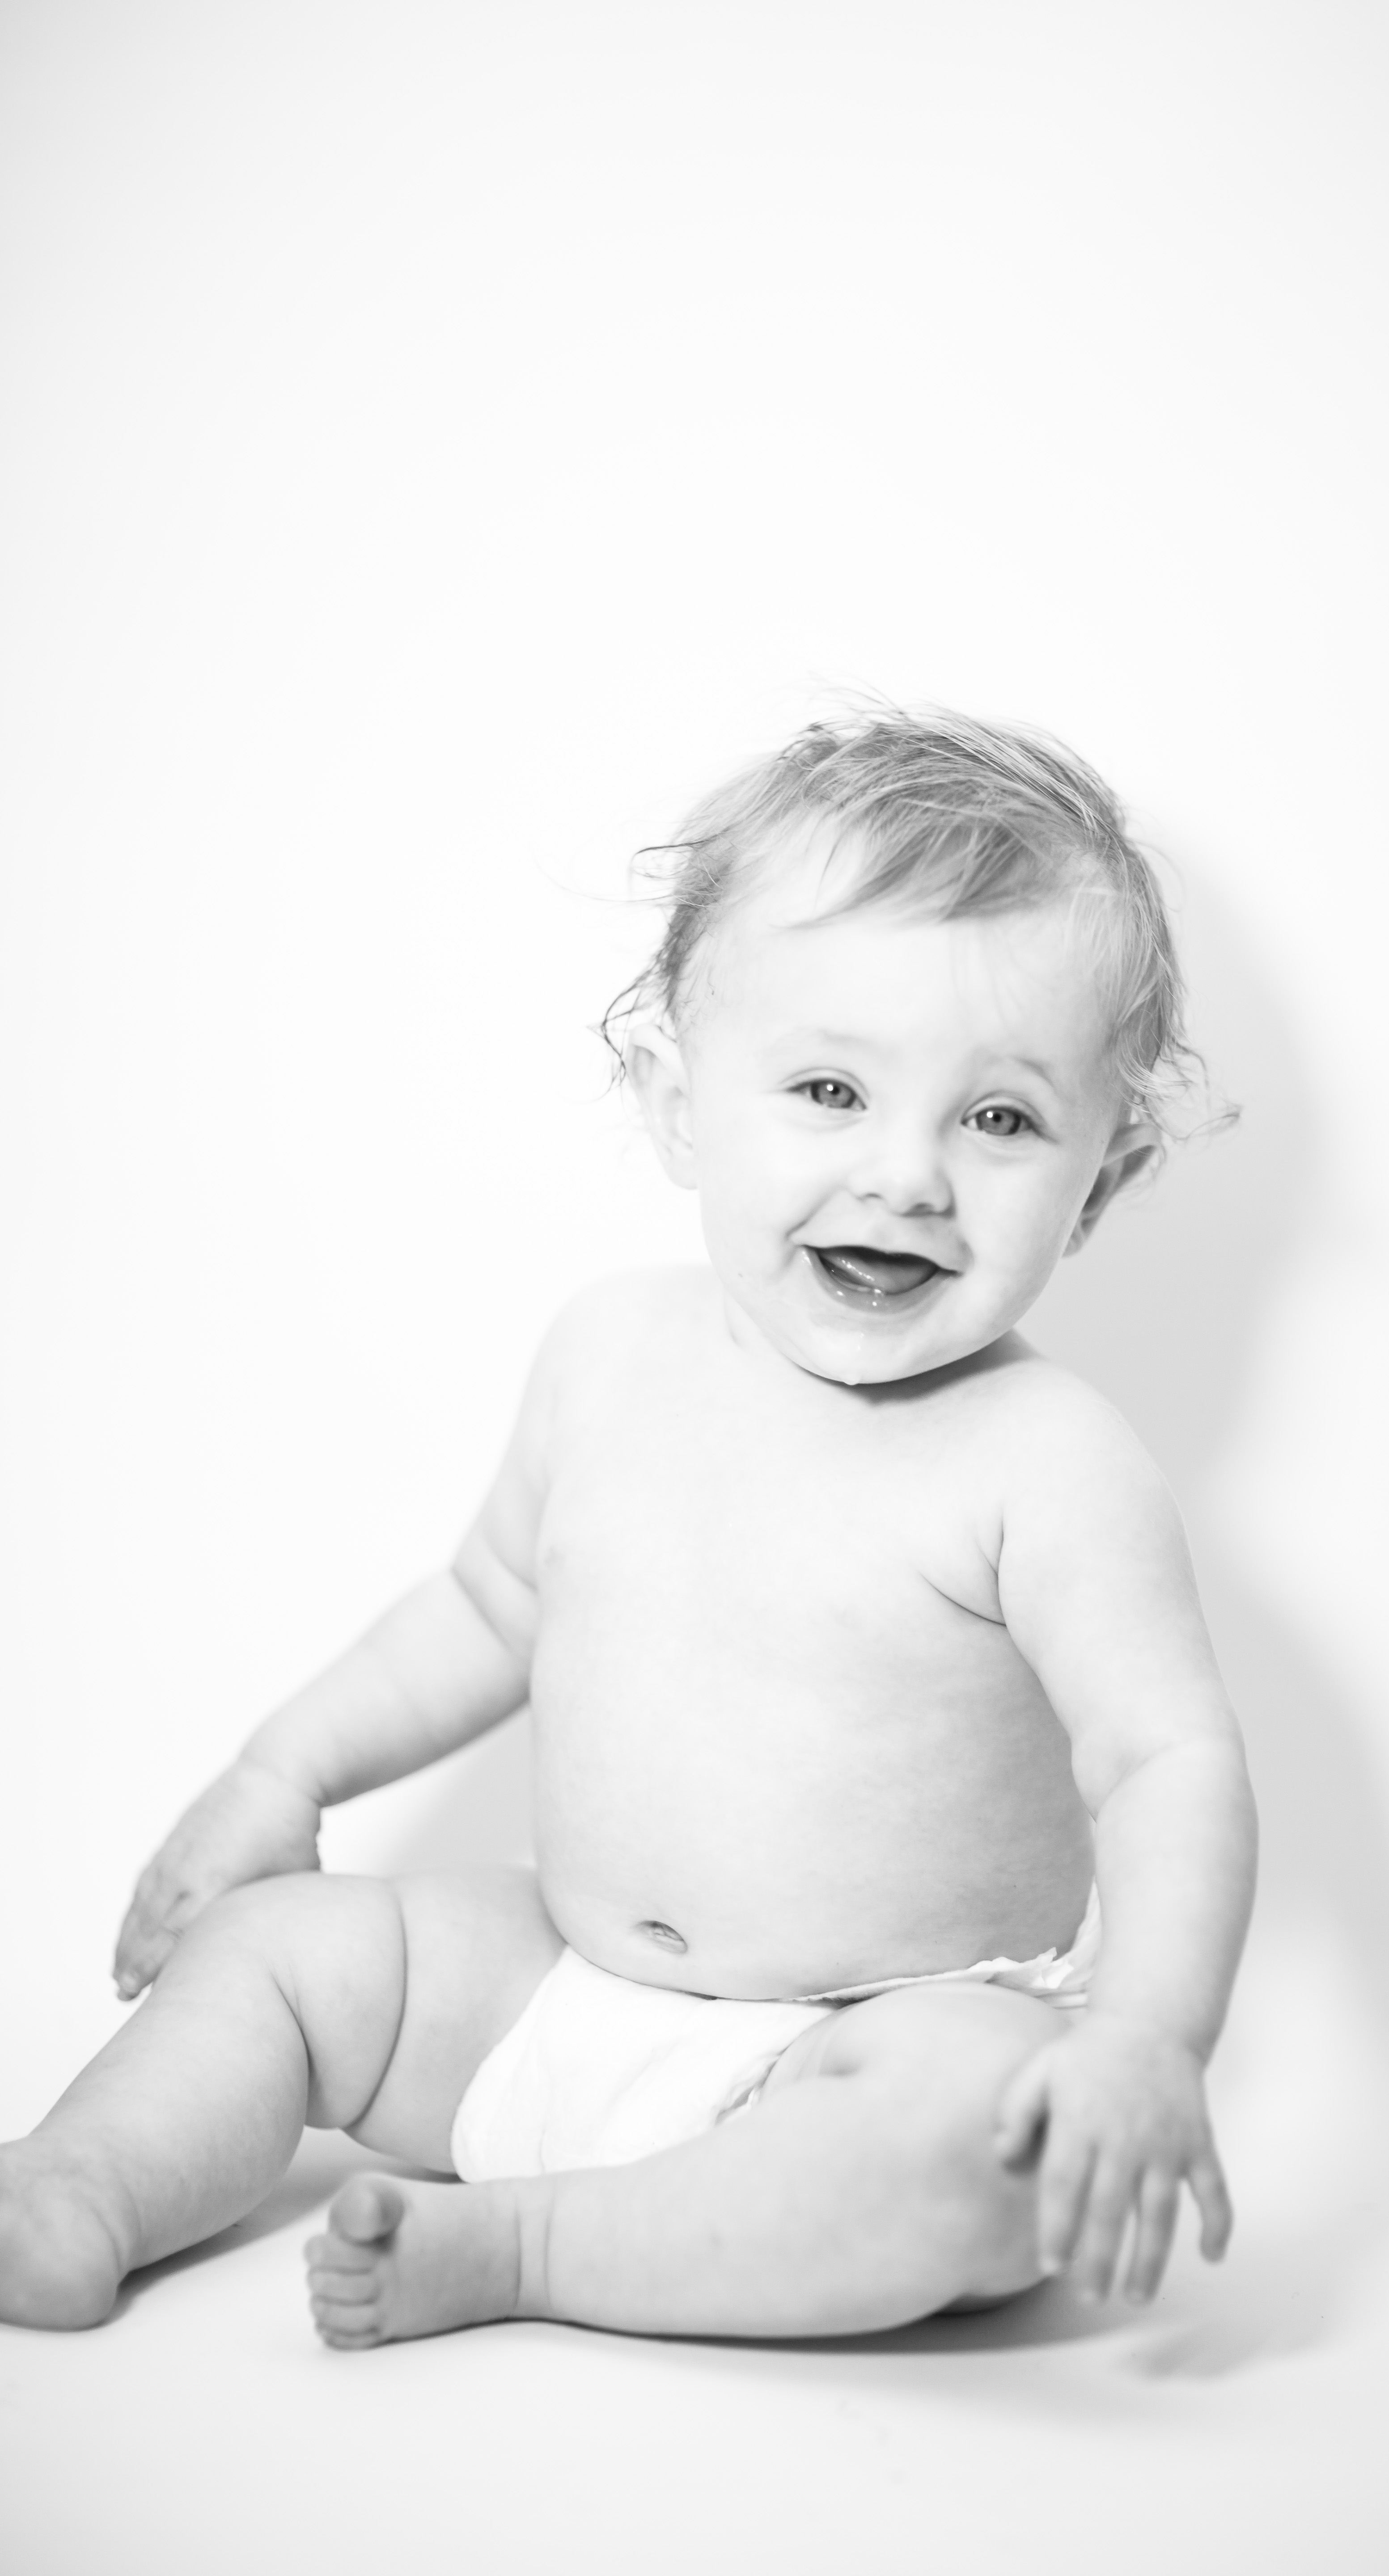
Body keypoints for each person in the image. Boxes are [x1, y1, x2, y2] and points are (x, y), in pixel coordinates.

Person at [0, 708, 1257, 2345]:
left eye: (1001, 1120)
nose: (908, 1176)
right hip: (552, 1986)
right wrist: (279, 1776)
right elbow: (485, 1606)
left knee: (980, 2150)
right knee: (278, 1952)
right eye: (830, 1089)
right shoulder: (608, 1354)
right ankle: (76, 2189)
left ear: (1102, 1181)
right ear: (677, 1103)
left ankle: (523, 2252)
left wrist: (1146, 2040)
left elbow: (1166, 1765)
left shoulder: (1048, 1462)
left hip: (858, 2048)